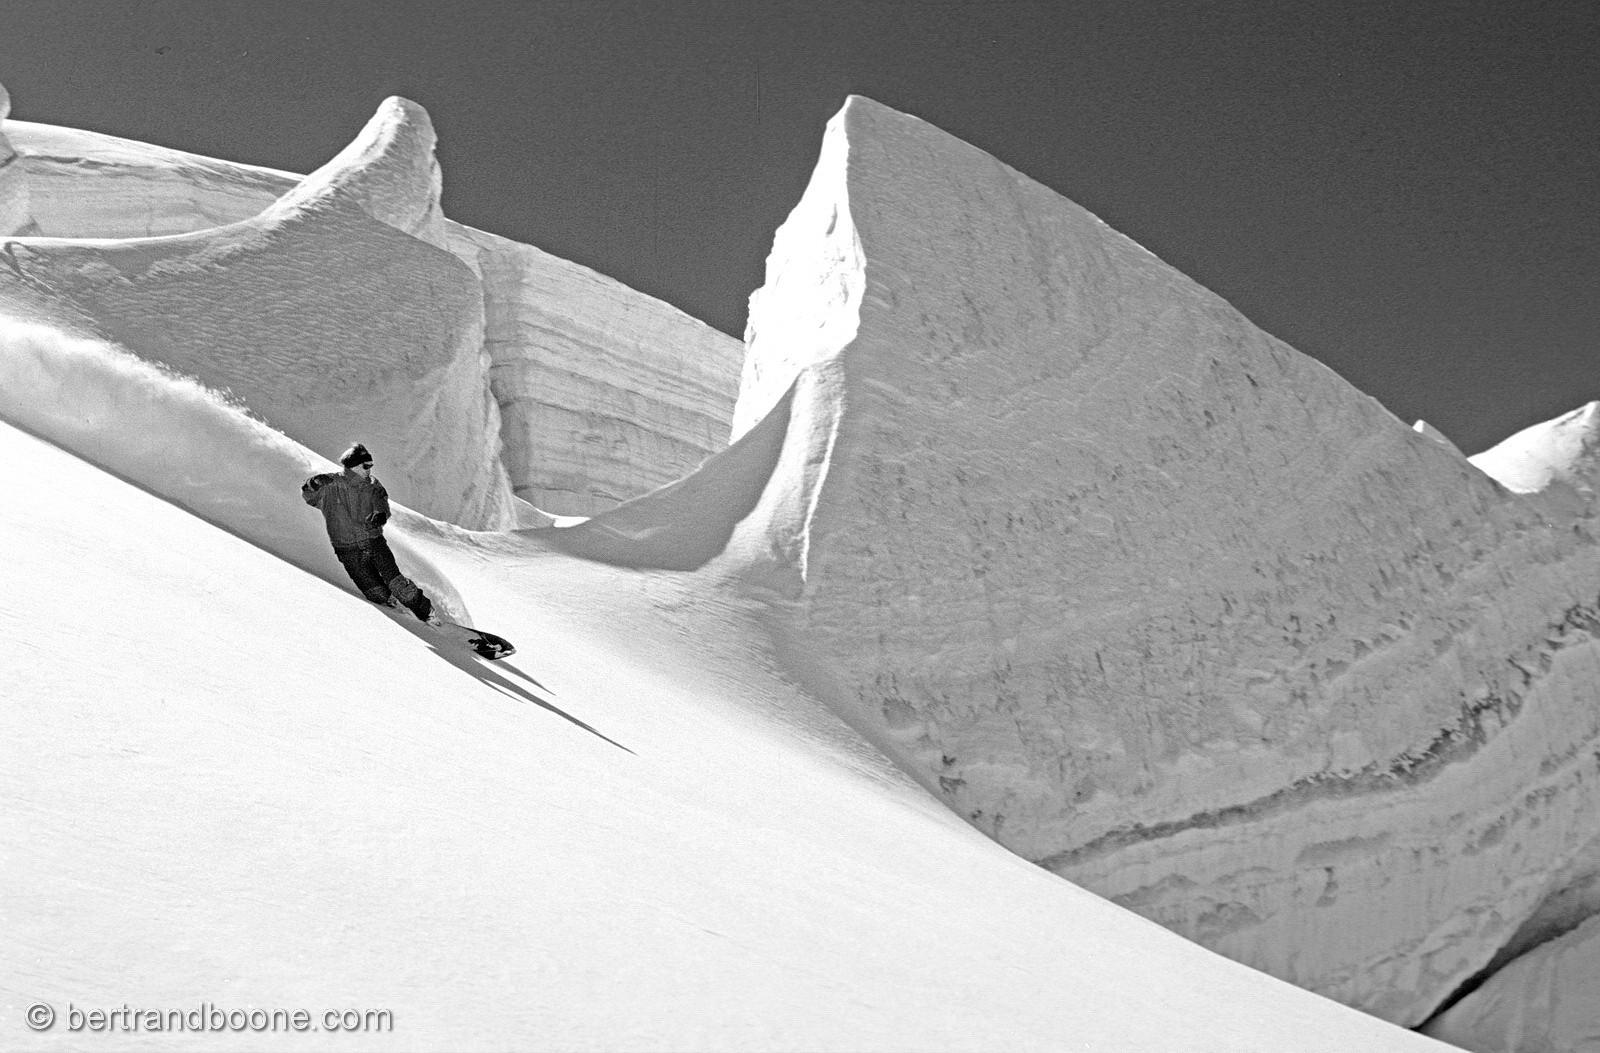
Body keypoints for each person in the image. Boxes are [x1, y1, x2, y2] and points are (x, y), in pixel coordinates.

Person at [301, 443, 434, 623]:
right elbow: (309, 496)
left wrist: (380, 515)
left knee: (397, 584)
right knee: (375, 591)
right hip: (347, 550)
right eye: (366, 465)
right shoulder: (331, 484)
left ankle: (428, 614)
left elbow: (382, 502)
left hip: (374, 541)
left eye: (371, 465)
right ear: (354, 466)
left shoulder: (373, 485)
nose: (370, 469)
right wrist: (314, 484)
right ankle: (398, 614)